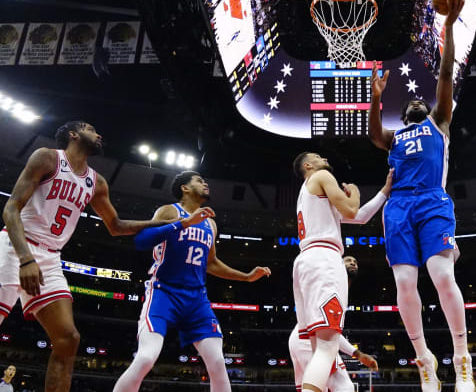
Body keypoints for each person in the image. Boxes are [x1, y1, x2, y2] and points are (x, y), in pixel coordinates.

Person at [0, 121, 179, 392]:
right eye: (91, 129)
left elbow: (116, 226)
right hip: (16, 246)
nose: (99, 133)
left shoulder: (96, 183)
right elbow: (11, 209)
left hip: (50, 258)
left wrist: (170, 224)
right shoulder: (48, 157)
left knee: (68, 338)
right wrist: (26, 259)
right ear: (73, 135)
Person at [368, 0, 474, 392]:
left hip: (431, 201)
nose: (415, 101)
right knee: (405, 286)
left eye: (419, 100)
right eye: (408, 102)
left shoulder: (439, 122)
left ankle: (462, 356)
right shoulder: (395, 136)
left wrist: (447, 27)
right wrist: (376, 99)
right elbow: (374, 136)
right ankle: (424, 358)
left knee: (442, 275)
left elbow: (445, 76)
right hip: (397, 209)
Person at [113, 171, 271, 392]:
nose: (205, 183)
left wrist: (245, 276)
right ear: (184, 188)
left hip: (197, 299)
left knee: (217, 362)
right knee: (146, 357)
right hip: (164, 291)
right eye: (199, 181)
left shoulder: (211, 224)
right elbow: (142, 240)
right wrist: (183, 223)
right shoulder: (169, 211)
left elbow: (212, 263)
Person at [292, 152, 390, 392]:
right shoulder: (322, 175)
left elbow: (360, 216)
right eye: (317, 156)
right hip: (324, 259)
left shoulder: (308, 194)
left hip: (306, 261)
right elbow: (351, 210)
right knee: (327, 348)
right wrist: (354, 193)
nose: (324, 157)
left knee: (320, 350)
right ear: (308, 165)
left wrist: (385, 191)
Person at [290, 255, 381, 392]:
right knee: (339, 387)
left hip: (311, 336)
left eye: (355, 261)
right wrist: (358, 354)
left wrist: (358, 354)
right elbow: (327, 331)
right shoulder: (330, 286)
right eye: (348, 261)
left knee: (334, 387)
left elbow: (331, 332)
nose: (353, 263)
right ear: (337, 265)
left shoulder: (340, 289)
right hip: (309, 337)